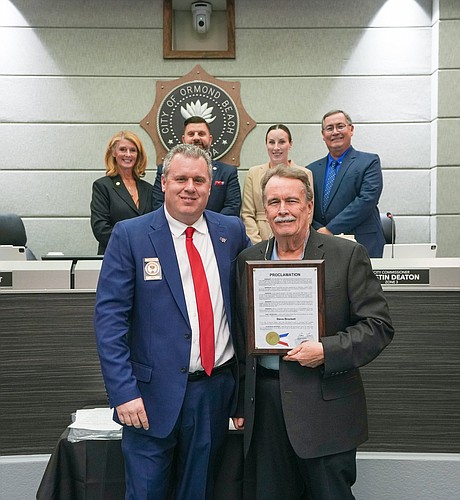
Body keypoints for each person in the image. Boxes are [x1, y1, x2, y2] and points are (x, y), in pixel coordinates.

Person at [94, 143, 250, 500]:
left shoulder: (231, 233)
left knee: (199, 492)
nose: (189, 187)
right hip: (147, 398)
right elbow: (110, 322)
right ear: (163, 183)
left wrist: (241, 396)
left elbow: (243, 316)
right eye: (180, 178)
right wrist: (123, 392)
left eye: (199, 180)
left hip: (213, 393)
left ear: (211, 186)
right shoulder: (130, 236)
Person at [233, 166, 394, 500]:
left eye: (292, 200)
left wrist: (326, 350)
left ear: (309, 206)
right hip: (264, 408)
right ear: (265, 211)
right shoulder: (248, 260)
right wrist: (239, 405)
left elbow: (378, 327)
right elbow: (239, 334)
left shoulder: (347, 255)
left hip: (326, 407)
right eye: (274, 202)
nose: (283, 210)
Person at [307, 110, 386, 258]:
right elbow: (306, 206)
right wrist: (320, 231)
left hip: (363, 244)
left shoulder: (369, 162)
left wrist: (331, 229)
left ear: (351, 129)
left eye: (340, 126)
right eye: (329, 128)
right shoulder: (311, 170)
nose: (335, 132)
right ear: (323, 135)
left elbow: (366, 200)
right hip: (323, 245)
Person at [152, 116, 242, 217]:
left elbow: (233, 207)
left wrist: (207, 224)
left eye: (201, 134)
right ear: (183, 139)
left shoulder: (227, 172)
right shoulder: (164, 169)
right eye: (191, 134)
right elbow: (158, 203)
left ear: (210, 139)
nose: (196, 138)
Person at [241, 124, 313, 244]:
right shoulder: (253, 173)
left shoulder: (304, 173)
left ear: (290, 144)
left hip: (295, 241)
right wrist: (258, 244)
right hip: (260, 239)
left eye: (281, 142)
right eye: (271, 142)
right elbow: (247, 214)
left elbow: (307, 213)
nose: (276, 147)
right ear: (266, 145)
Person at [90, 131, 155, 254]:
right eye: (123, 149)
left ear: (138, 155)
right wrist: (133, 246)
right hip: (115, 256)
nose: (128, 154)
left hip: (145, 257)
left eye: (133, 150)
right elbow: (101, 229)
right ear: (114, 153)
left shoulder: (148, 189)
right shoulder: (103, 186)